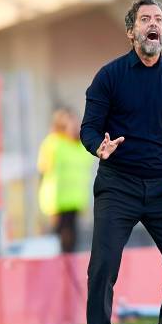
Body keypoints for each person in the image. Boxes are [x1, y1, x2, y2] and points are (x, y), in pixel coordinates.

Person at [80, 0, 162, 324]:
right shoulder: (109, 76)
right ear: (132, 31)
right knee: (103, 264)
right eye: (145, 19)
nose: (153, 24)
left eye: (159, 19)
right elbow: (88, 128)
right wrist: (99, 146)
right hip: (119, 185)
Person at [37, 108, 94, 253]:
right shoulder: (53, 144)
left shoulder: (81, 146)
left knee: (72, 241)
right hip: (57, 203)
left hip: (75, 201)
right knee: (58, 243)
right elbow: (44, 172)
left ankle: (69, 273)